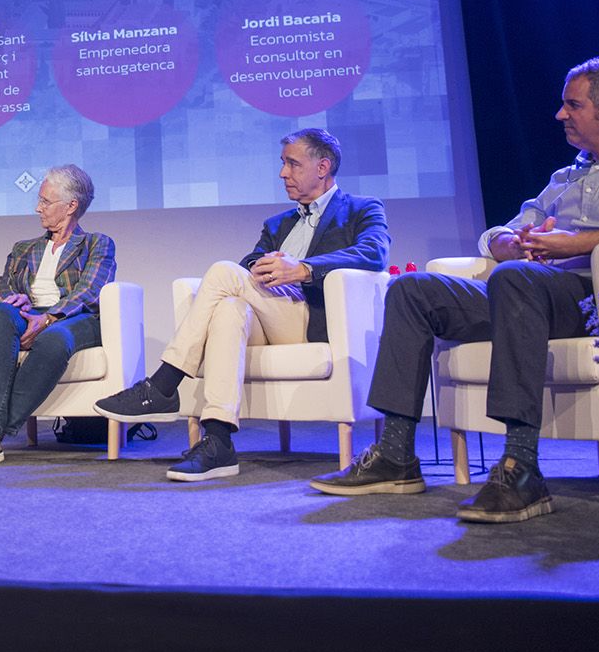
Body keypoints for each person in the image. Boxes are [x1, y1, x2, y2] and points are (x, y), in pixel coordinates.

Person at [312, 57, 599, 522]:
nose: (560, 114)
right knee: (413, 289)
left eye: (572, 105)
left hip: (596, 299)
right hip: (523, 293)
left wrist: (579, 243)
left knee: (514, 279)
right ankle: (395, 455)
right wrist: (509, 243)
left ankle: (521, 467)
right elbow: (503, 231)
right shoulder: (566, 177)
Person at [94, 129, 389, 481]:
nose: (283, 173)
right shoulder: (278, 223)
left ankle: (162, 385)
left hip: (312, 318)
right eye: (283, 164)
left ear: (322, 167)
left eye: (292, 164)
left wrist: (303, 269)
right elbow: (248, 261)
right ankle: (218, 442)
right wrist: (261, 267)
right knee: (229, 309)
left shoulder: (361, 209)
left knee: (222, 272)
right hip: (272, 317)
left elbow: (374, 252)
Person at [0, 165, 117, 467]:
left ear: (71, 206)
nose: (38, 208)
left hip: (76, 320)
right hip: (29, 313)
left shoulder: (96, 244)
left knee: (54, 339)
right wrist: (16, 300)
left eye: (45, 202)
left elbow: (89, 291)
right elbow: (2, 284)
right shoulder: (24, 248)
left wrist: (48, 318)